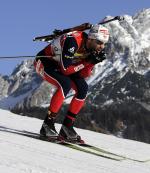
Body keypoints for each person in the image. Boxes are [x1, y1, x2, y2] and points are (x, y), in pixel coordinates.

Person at [34, 24, 109, 143]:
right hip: (45, 62)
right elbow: (65, 70)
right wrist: (87, 61)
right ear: (90, 39)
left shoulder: (91, 48)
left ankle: (67, 127)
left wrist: (91, 62)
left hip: (62, 65)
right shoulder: (73, 41)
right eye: (100, 42)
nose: (102, 46)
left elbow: (82, 74)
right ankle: (47, 125)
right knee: (65, 84)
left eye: (104, 43)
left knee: (83, 88)